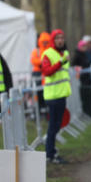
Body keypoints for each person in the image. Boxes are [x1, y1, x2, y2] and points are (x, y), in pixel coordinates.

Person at [41, 29, 71, 164]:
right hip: (52, 96)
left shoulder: (65, 53)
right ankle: (49, 154)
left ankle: (51, 151)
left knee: (57, 125)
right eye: (57, 38)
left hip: (62, 95)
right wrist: (60, 63)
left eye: (62, 37)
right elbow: (46, 72)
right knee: (53, 126)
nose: (60, 40)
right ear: (53, 40)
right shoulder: (47, 54)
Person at [30, 32, 51, 112]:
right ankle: (38, 110)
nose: (45, 43)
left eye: (46, 42)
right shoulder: (36, 51)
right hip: (37, 74)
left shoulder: (50, 51)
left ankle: (45, 109)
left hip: (47, 73)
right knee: (37, 92)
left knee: (46, 92)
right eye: (43, 42)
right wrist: (43, 62)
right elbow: (33, 60)